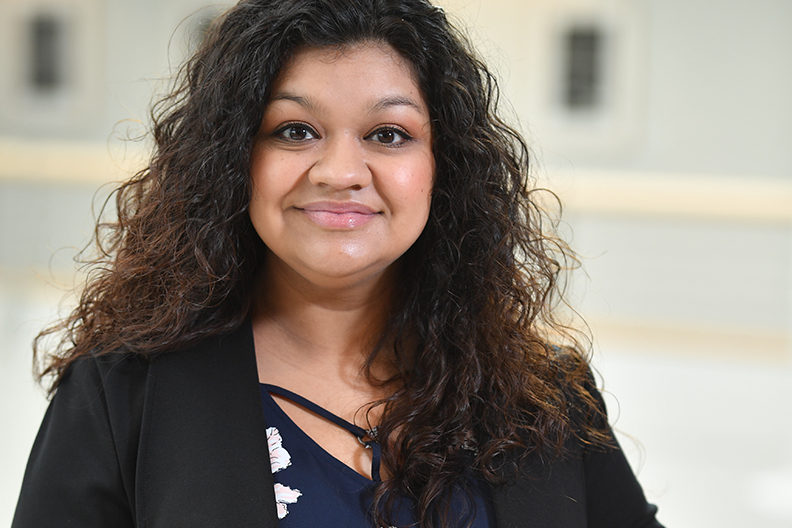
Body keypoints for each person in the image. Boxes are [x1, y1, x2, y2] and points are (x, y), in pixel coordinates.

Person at [13, 0, 664, 527]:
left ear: (446, 169)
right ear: (236, 160)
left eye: (389, 135)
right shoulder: (121, 394)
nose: (341, 173)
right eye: (295, 130)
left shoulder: (543, 400)